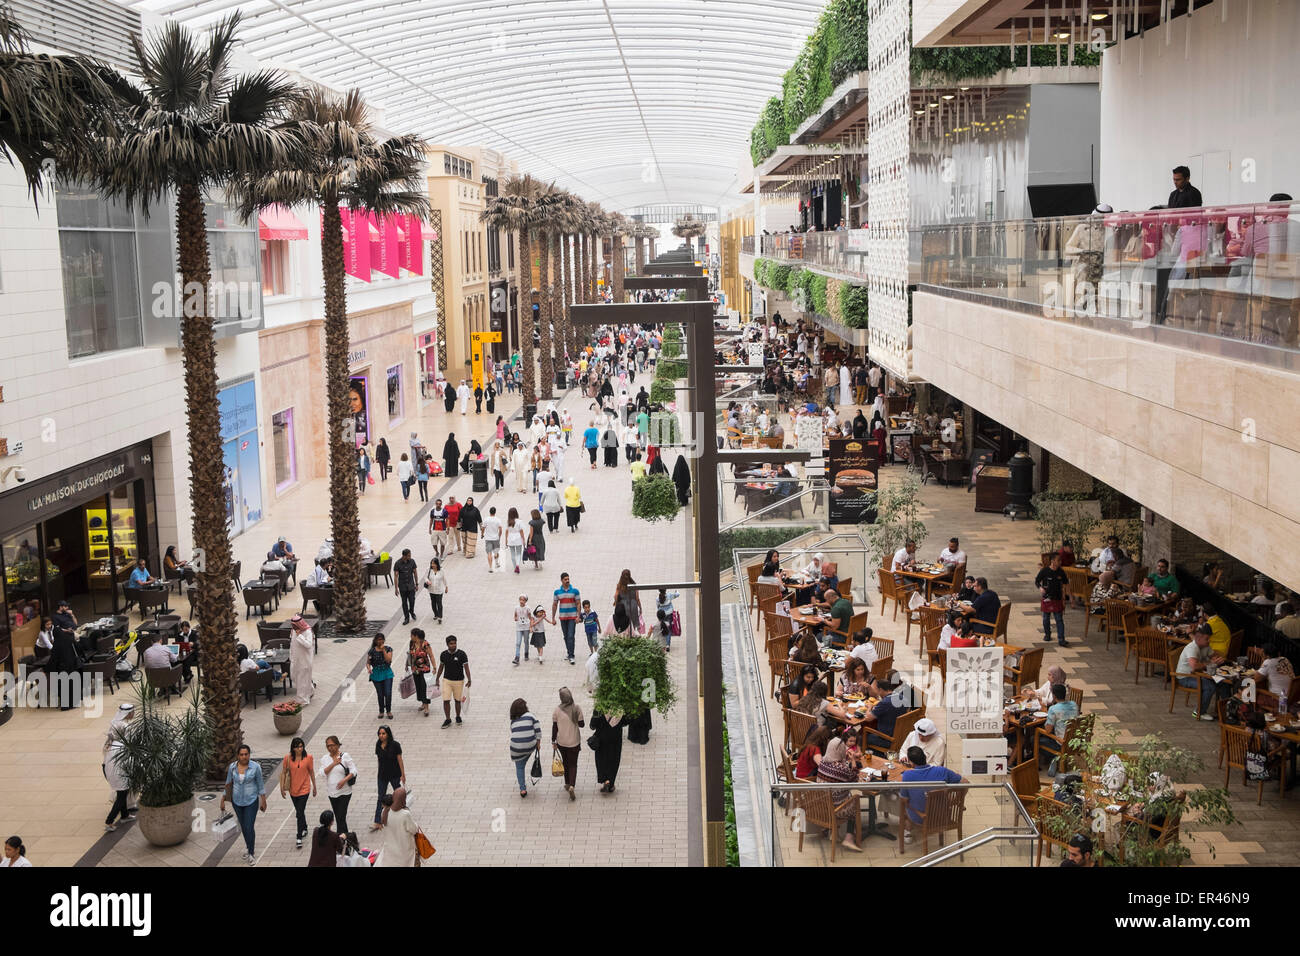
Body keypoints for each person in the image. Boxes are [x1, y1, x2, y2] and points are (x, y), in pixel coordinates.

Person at [898, 745, 965, 843]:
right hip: (944, 816)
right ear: (925, 757)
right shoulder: (942, 771)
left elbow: (905, 799)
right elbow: (965, 782)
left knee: (902, 802)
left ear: (911, 763)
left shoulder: (907, 776)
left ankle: (908, 831)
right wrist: (956, 800)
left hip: (921, 817)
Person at [220, 744, 266, 865]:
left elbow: (260, 785)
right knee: (243, 827)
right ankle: (248, 846)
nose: (244, 756)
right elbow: (228, 783)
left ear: (249, 755)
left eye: (246, 754)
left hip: (251, 801)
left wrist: (263, 800)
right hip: (237, 802)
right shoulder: (232, 767)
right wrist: (222, 799)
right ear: (238, 756)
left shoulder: (255, 767)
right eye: (241, 754)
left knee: (249, 827)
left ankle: (251, 853)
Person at [278, 736, 316, 850]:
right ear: (293, 748)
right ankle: (305, 827)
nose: (300, 748)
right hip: (293, 790)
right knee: (300, 812)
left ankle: (299, 837)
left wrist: (314, 786)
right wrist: (281, 788)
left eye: (301, 746)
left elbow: (311, 772)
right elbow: (284, 773)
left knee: (299, 813)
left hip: (305, 789)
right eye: (297, 746)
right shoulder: (287, 758)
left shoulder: (308, 757)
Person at [320, 736, 358, 837]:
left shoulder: (345, 756)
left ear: (337, 745)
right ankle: (345, 838)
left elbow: (354, 770)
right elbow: (322, 773)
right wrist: (333, 763)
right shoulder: (325, 758)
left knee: (341, 816)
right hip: (332, 793)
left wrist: (344, 780)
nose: (330, 748)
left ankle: (339, 838)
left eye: (332, 745)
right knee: (338, 817)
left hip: (345, 792)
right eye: (328, 746)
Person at [552, 687, 586, 801]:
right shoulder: (576, 708)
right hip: (574, 742)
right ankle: (572, 785)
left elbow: (555, 727)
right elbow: (582, 725)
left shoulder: (557, 710)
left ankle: (567, 783)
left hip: (561, 742)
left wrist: (553, 741)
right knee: (573, 764)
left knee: (565, 762)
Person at [371, 725, 405, 829]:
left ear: (388, 734)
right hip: (382, 775)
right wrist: (378, 772)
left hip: (394, 774)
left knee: (399, 794)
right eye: (380, 734)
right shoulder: (378, 744)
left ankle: (404, 814)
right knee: (380, 797)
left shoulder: (395, 745)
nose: (381, 736)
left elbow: (400, 760)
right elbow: (379, 760)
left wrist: (403, 774)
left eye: (383, 733)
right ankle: (377, 821)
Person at [376, 789, 420, 867]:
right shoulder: (405, 814)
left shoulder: (385, 811)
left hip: (390, 848)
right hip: (404, 849)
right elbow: (413, 829)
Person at [435, 634, 471, 726]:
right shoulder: (443, 655)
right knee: (446, 700)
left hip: (459, 681)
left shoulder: (462, 654)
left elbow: (466, 667)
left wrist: (469, 679)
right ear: (447, 644)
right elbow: (441, 667)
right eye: (451, 644)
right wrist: (437, 678)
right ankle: (448, 719)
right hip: (447, 680)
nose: (453, 645)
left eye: (455, 643)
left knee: (457, 700)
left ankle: (458, 716)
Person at [509, 698, 543, 798]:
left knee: (519, 767)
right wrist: (538, 744)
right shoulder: (531, 716)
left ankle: (522, 789)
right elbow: (538, 731)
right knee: (525, 756)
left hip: (515, 748)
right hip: (529, 746)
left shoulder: (513, 721)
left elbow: (513, 732)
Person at [1036, 553, 1069, 647]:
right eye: (1058, 560)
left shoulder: (1061, 572)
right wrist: (1040, 588)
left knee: (1059, 619)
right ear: (1052, 561)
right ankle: (1047, 634)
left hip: (1057, 599)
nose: (1060, 562)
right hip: (1047, 598)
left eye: (1060, 560)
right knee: (1046, 618)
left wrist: (1070, 598)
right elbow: (1037, 581)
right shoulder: (1045, 571)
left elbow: (1066, 584)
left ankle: (1061, 639)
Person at [589, 710, 623, 794]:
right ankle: (610, 782)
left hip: (602, 739)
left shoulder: (599, 708)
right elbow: (626, 721)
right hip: (616, 739)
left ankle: (605, 780)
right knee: (614, 760)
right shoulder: (620, 708)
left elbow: (592, 725)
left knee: (601, 759)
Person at [552, 572, 582, 664]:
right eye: (565, 579)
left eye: (568, 579)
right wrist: (553, 618)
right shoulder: (557, 592)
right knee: (566, 636)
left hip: (572, 617)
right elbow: (555, 605)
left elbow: (578, 603)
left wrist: (578, 616)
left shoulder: (575, 591)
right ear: (561, 580)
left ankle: (571, 656)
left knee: (570, 636)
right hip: (563, 617)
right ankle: (569, 652)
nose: (567, 581)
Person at [406, 628, 434, 717]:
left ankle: (426, 707)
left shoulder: (425, 644)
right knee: (419, 687)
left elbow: (431, 656)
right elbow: (410, 654)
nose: (410, 637)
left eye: (411, 635)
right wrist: (406, 664)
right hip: (415, 669)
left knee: (424, 687)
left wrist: (435, 667)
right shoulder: (412, 643)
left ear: (416, 636)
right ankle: (423, 703)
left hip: (424, 669)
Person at [367, 634, 395, 720]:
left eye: (381, 639)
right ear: (375, 641)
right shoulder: (371, 651)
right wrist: (369, 668)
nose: (380, 641)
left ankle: (389, 710)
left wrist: (383, 650)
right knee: (380, 694)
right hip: (376, 674)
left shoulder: (388, 649)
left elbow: (388, 660)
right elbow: (368, 662)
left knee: (388, 693)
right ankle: (381, 711)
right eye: (378, 640)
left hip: (387, 673)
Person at [289, 614, 315, 705]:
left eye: (295, 625)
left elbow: (308, 645)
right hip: (295, 659)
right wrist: (291, 657)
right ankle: (310, 690)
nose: (293, 627)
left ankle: (302, 700)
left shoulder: (308, 631)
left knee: (302, 681)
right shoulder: (293, 631)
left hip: (305, 661)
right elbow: (292, 645)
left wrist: (299, 635)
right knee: (294, 676)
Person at [420, 557, 447, 624]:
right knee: (433, 603)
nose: (432, 565)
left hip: (439, 590)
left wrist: (446, 586)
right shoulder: (429, 570)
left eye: (434, 564)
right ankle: (436, 614)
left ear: (437, 564)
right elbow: (425, 577)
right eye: (431, 563)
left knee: (439, 603)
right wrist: (427, 581)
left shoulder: (441, 570)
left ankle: (440, 617)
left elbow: (444, 579)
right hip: (431, 590)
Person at [482, 506, 503, 573]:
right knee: (496, 552)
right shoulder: (498, 520)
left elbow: (483, 528)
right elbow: (500, 529)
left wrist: (482, 534)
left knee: (489, 553)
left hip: (488, 538)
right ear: (495, 512)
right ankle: (496, 563)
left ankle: (490, 567)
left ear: (489, 512)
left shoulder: (486, 519)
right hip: (496, 538)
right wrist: (499, 536)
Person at [505, 507, 526, 573]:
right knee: (519, 553)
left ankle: (515, 567)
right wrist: (523, 540)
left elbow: (507, 531)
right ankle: (517, 565)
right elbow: (521, 531)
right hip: (518, 538)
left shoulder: (508, 522)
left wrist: (506, 540)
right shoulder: (519, 521)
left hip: (511, 539)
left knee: (512, 554)